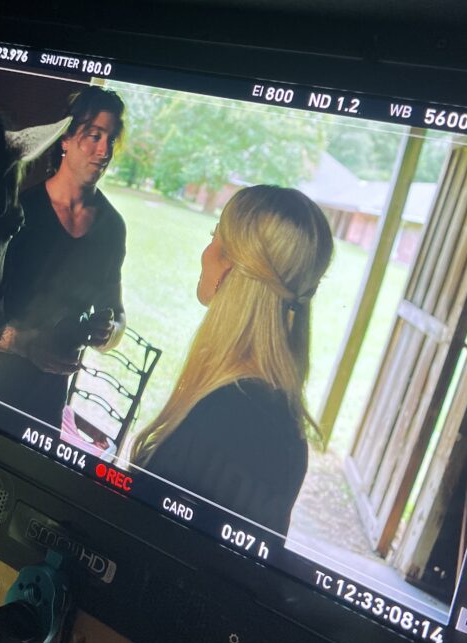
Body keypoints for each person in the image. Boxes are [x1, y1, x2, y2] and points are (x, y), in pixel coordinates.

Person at [130, 185, 333, 535]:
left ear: (232, 270)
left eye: (216, 238)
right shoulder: (269, 410)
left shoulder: (229, 415)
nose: (205, 253)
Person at [0, 87, 126, 429]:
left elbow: (116, 311)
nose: (104, 151)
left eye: (111, 139)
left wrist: (110, 330)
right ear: (65, 139)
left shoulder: (113, 227)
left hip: (46, 402)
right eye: (94, 135)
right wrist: (23, 343)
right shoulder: (17, 212)